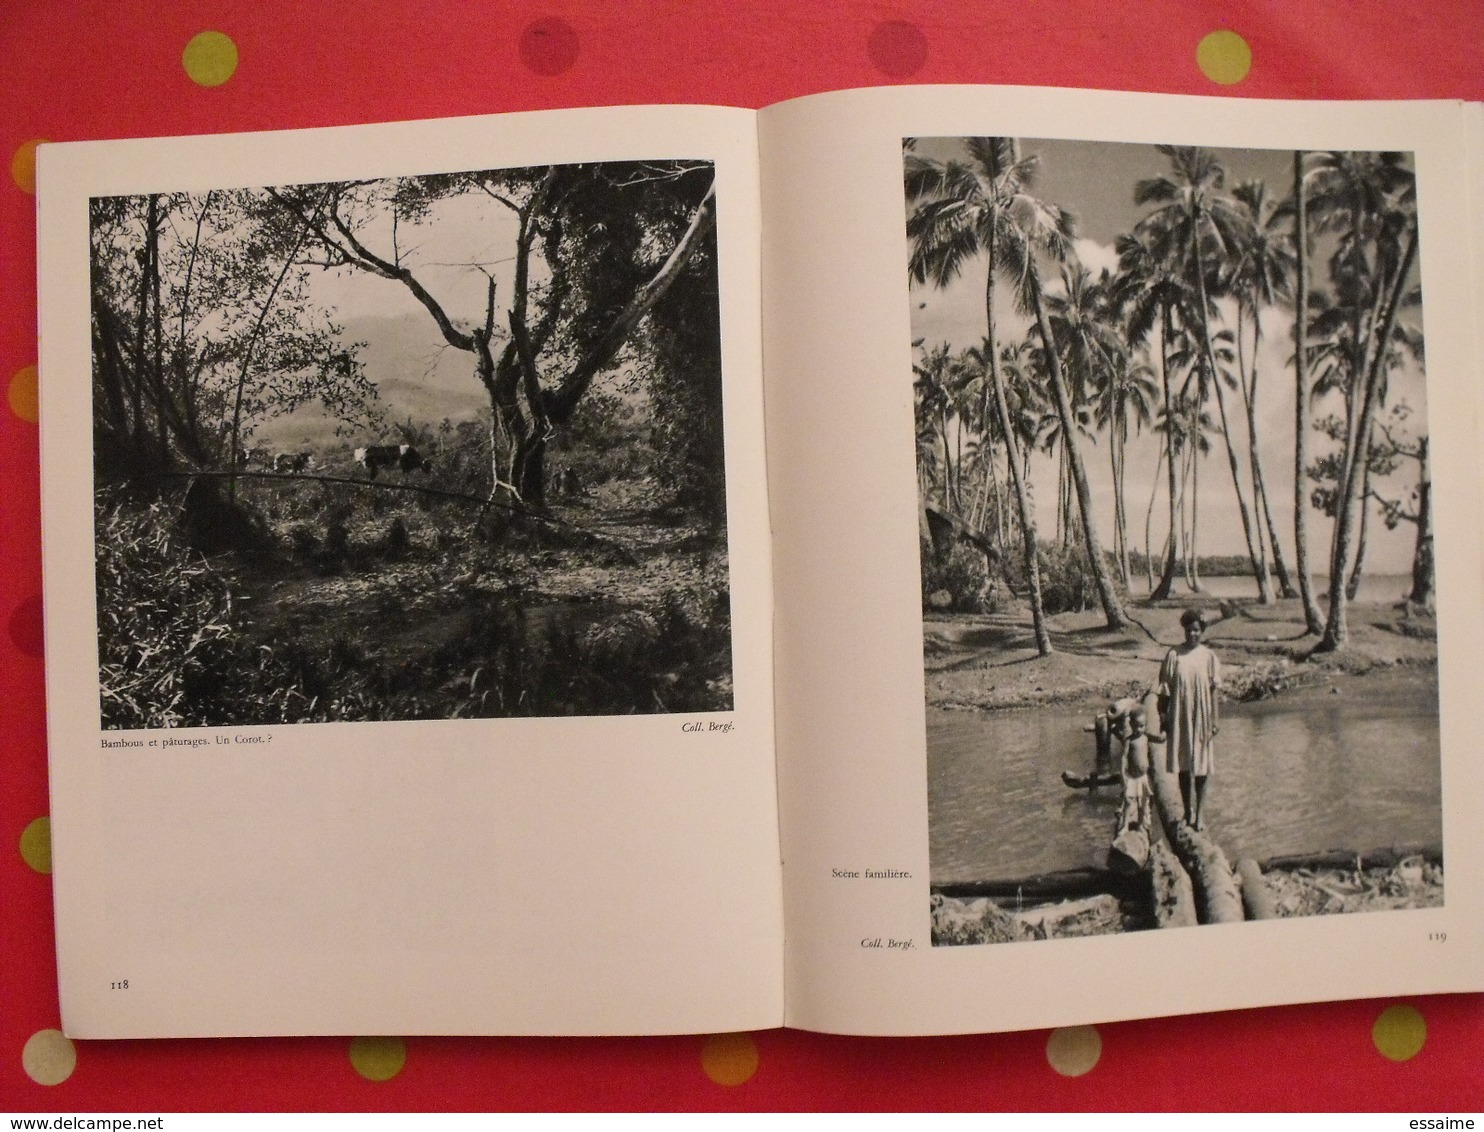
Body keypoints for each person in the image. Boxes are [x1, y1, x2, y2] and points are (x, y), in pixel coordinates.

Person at [1159, 608, 1222, 831]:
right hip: (1180, 716)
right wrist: (1163, 719)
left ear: (1201, 631)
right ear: (1184, 631)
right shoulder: (1174, 655)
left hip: (1202, 715)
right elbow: (1164, 691)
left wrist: (1214, 719)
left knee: (1202, 766)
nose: (1192, 634)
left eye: (1196, 630)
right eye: (1188, 630)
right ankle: (1187, 811)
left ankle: (1201, 815)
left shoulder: (1208, 656)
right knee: (1184, 765)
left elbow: (1214, 690)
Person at [1118, 706, 1160, 833]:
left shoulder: (1146, 737)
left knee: (1143, 802)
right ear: (1130, 724)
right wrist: (1122, 774)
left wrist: (1165, 731)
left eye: (1142, 726)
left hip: (1143, 776)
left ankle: (1141, 824)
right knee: (1129, 802)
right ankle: (1124, 826)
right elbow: (1124, 757)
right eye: (1136, 726)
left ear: (1145, 725)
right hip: (1132, 776)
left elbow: (1159, 739)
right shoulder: (1129, 740)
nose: (1139, 729)